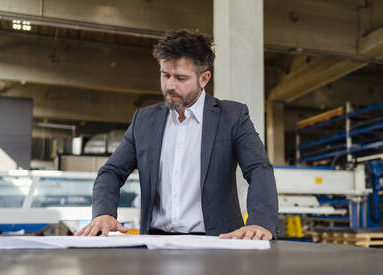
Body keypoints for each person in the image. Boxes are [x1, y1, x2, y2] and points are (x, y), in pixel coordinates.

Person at [76, 30, 278, 240]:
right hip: (154, 244)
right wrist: (104, 212)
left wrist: (260, 222)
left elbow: (259, 169)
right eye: (165, 75)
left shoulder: (232, 117)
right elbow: (112, 171)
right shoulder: (144, 120)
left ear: (204, 78)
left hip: (217, 245)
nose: (170, 85)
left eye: (181, 78)